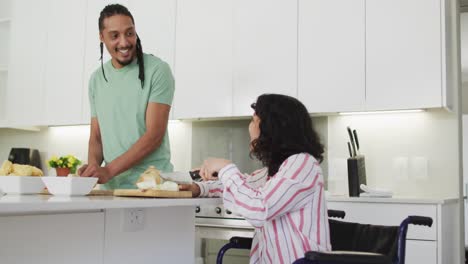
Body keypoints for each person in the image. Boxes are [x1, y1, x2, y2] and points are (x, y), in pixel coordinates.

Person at [180, 94, 331, 264]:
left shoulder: (303, 163)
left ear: (271, 127)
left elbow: (260, 207)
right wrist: (199, 188)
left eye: (253, 121)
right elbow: (244, 186)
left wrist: (226, 167)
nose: (249, 128)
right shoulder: (277, 171)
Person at [78, 4, 175, 189]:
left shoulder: (157, 70)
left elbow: (154, 135)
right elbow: (97, 137)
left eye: (129, 33)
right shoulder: (96, 79)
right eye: (114, 36)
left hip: (151, 188)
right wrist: (93, 170)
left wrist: (108, 170)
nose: (124, 42)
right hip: (111, 192)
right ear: (101, 37)